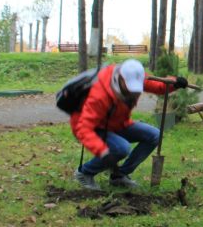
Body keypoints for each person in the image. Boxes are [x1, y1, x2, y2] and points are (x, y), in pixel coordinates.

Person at [71, 58, 188, 190]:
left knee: (154, 135)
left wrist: (175, 83)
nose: (133, 91)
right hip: (96, 127)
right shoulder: (101, 90)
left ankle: (119, 176)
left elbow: (158, 86)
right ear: (120, 78)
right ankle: (84, 172)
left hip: (120, 124)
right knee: (121, 147)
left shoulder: (135, 76)